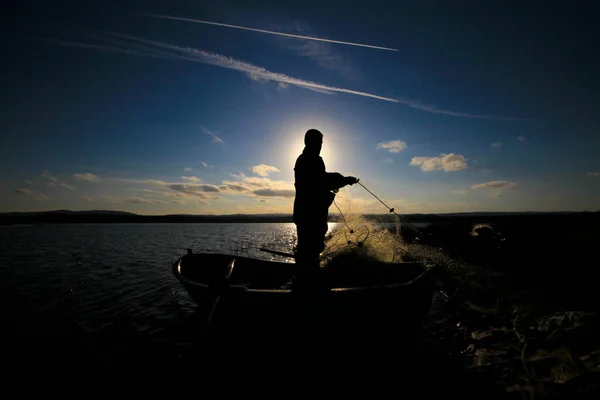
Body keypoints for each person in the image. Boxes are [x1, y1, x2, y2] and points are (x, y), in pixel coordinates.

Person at [292, 129, 358, 288]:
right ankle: (306, 288)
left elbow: (324, 177)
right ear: (309, 142)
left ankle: (306, 283)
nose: (320, 146)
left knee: (311, 250)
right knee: (310, 251)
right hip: (309, 216)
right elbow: (322, 181)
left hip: (310, 214)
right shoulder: (307, 160)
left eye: (321, 143)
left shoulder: (310, 159)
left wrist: (342, 179)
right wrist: (344, 180)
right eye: (318, 142)